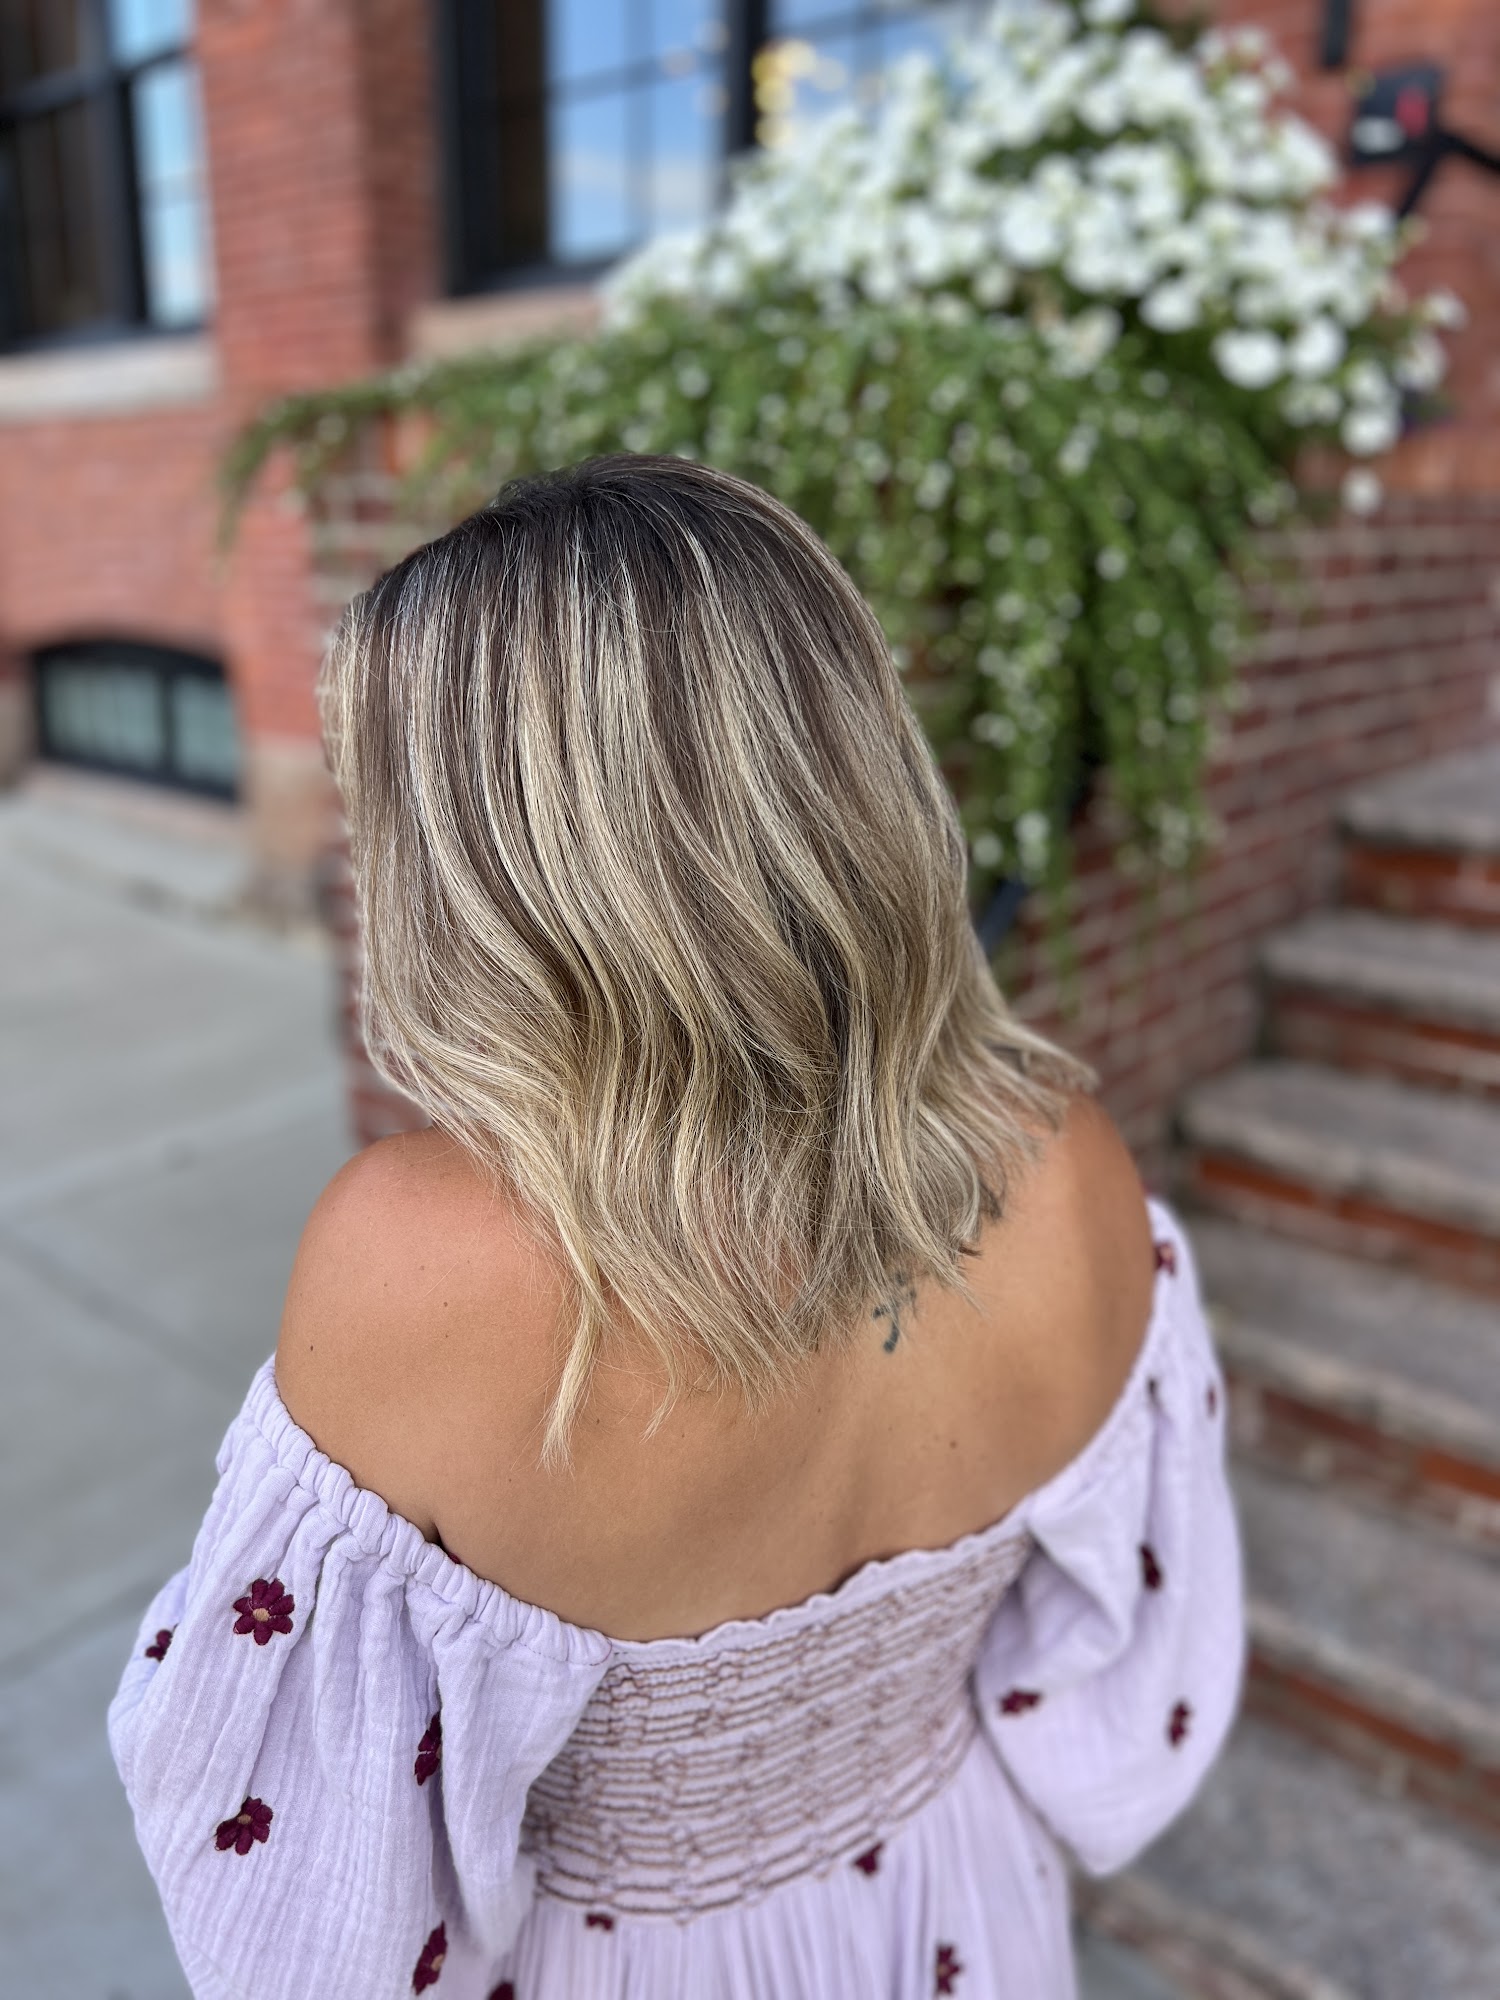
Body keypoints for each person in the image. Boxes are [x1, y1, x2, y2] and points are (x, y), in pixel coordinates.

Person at [109, 454, 1245, 1999]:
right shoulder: (1072, 1163)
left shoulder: (413, 1266)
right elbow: (1108, 1679)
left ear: (483, 862)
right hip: (959, 1909)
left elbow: (312, 1889)